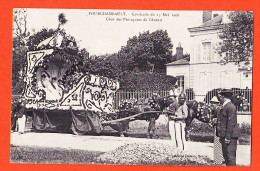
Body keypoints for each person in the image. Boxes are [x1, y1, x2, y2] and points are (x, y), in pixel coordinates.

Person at [217, 89, 240, 166]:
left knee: (230, 158)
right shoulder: (226, 106)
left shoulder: (230, 107)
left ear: (223, 97)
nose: (220, 97)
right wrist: (221, 136)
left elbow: (231, 123)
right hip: (225, 136)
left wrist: (227, 137)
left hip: (230, 136)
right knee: (226, 156)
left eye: (221, 96)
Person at [210, 96, 224, 165]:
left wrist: (213, 121)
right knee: (217, 143)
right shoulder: (215, 110)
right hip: (217, 127)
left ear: (217, 103)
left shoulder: (218, 110)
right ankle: (218, 159)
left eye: (213, 103)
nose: (212, 104)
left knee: (217, 143)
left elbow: (218, 120)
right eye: (211, 103)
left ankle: (218, 160)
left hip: (218, 128)